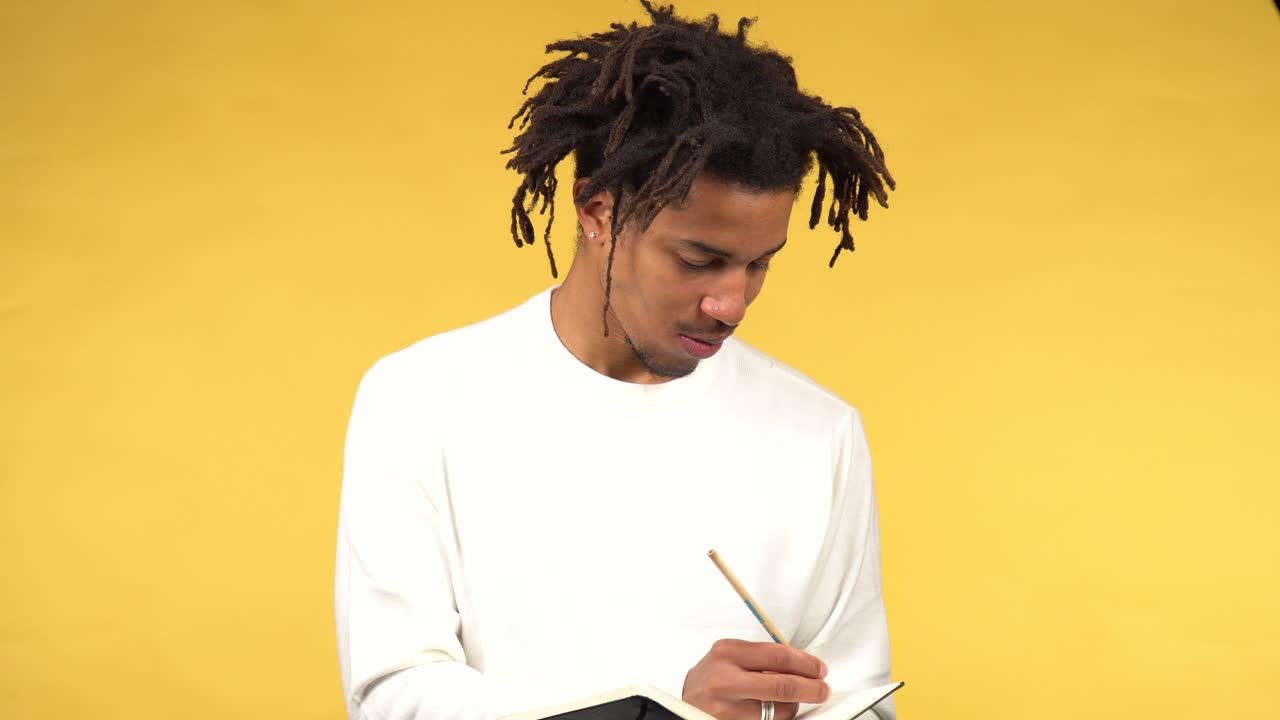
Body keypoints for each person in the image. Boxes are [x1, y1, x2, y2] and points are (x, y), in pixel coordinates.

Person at [334, 2, 898, 719]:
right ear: (597, 213)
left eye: (761, 265)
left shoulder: (820, 434)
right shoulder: (421, 400)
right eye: (701, 260)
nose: (732, 302)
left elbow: (859, 701)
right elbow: (395, 692)